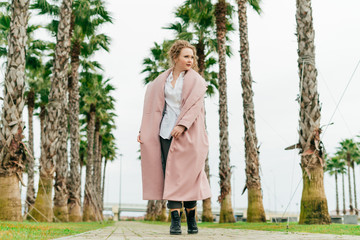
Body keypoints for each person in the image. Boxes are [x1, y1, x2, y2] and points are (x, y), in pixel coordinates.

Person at [138, 40, 211, 235]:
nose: (190, 60)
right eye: (186, 56)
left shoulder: (196, 80)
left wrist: (182, 124)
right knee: (171, 176)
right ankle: (175, 222)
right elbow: (151, 108)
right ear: (175, 57)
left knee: (189, 177)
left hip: (189, 134)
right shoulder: (160, 81)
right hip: (165, 133)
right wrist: (143, 131)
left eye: (192, 57)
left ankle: (191, 219)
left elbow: (195, 106)